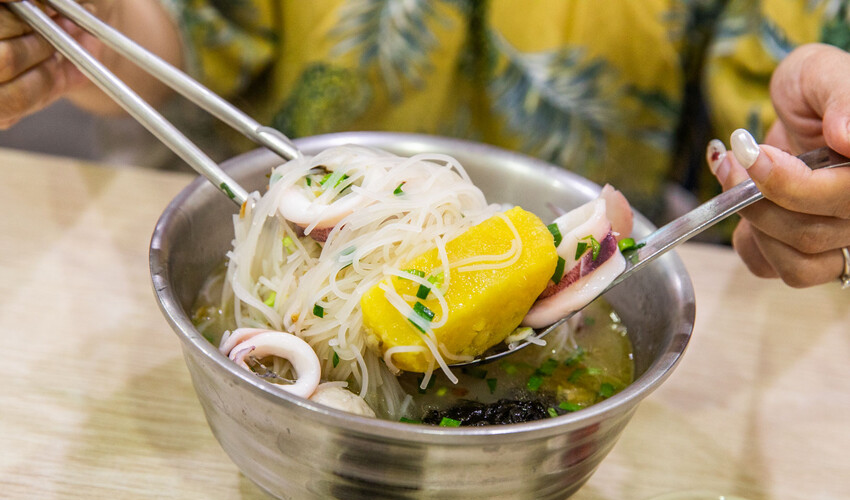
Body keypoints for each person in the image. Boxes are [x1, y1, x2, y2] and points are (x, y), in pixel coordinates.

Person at [1, 0, 849, 289]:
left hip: (589, 284)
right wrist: (98, 31)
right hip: (274, 245)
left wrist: (793, 163)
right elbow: (192, 26)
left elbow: (773, 79)